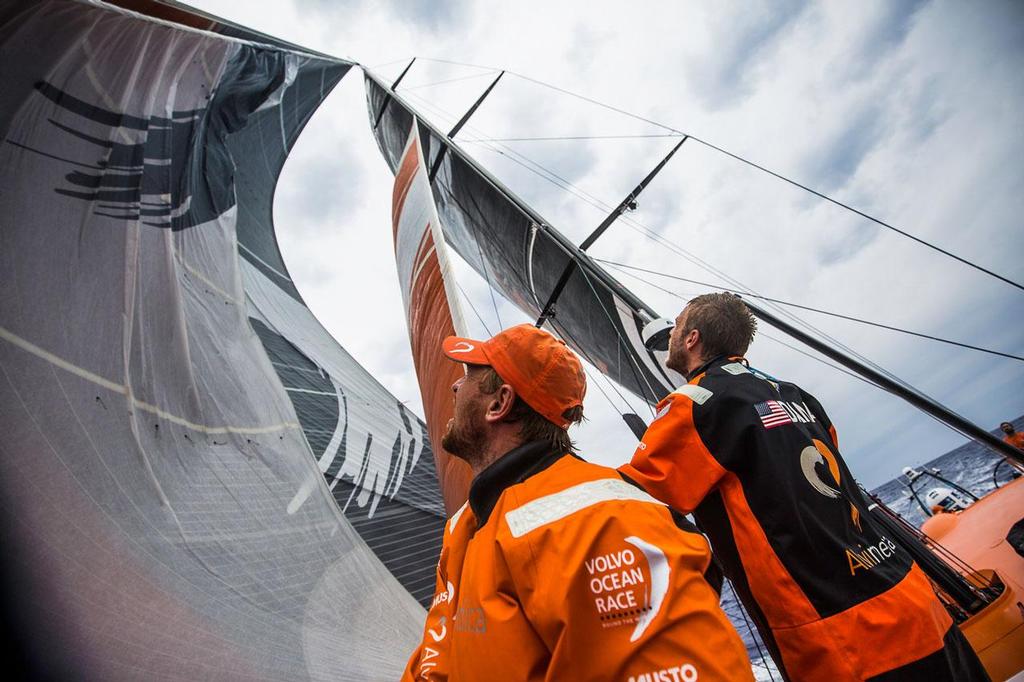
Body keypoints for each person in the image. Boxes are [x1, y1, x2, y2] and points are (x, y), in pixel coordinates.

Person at [620, 293, 989, 682]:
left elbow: (631, 501)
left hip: (842, 637)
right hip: (914, 599)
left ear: (692, 338)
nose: (670, 333)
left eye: (676, 326)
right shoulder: (796, 395)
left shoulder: (694, 405)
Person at [403, 323, 754, 682]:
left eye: (470, 374)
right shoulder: (464, 528)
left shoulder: (605, 520)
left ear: (499, 403)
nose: (455, 385)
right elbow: (435, 663)